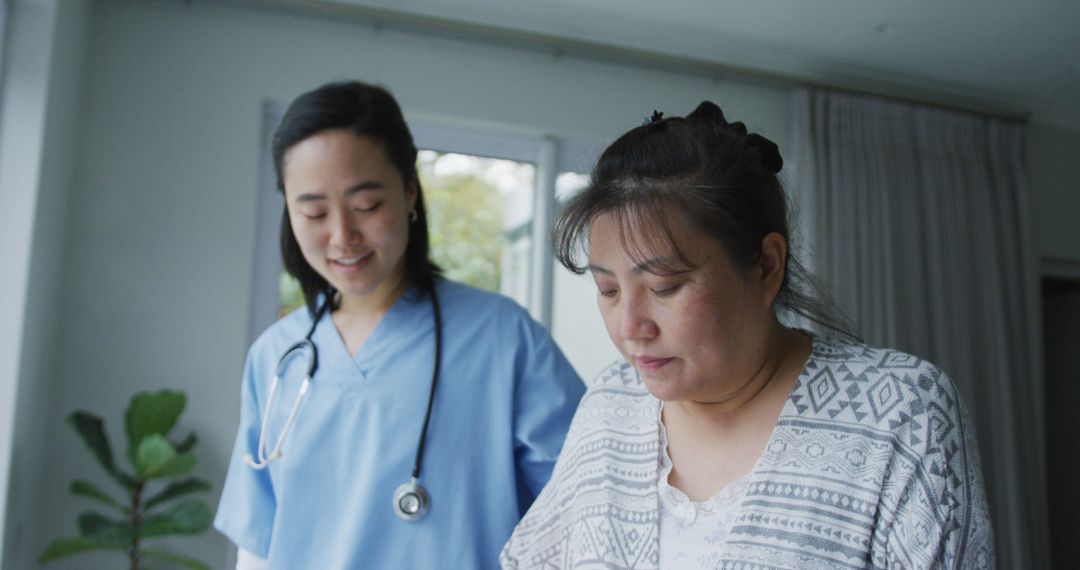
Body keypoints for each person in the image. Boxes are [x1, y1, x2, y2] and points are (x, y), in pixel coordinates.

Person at [501, 104, 994, 569]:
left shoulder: (900, 414)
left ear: (766, 267)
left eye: (664, 287)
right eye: (607, 289)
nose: (630, 328)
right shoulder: (611, 404)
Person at [214, 81, 584, 569]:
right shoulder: (276, 356)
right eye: (314, 212)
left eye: (366, 206)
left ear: (409, 189)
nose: (343, 236)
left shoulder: (503, 339)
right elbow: (257, 547)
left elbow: (587, 507)